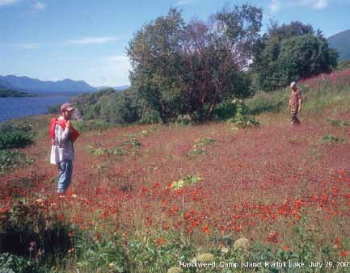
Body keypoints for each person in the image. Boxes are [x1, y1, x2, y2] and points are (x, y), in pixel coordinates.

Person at [50, 103, 80, 194]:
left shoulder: (64, 122)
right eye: (68, 112)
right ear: (63, 112)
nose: (70, 113)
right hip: (64, 155)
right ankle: (61, 197)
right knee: (64, 177)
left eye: (71, 112)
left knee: (64, 176)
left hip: (65, 154)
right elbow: (60, 140)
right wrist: (67, 129)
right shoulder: (60, 124)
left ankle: (62, 196)